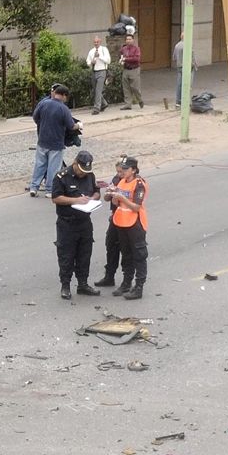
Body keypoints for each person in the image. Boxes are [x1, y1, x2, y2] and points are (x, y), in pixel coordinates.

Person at [52, 150, 102, 300]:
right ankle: (65, 286)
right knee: (66, 256)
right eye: (81, 170)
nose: (83, 173)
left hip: (84, 222)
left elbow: (97, 192)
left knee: (84, 254)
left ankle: (83, 284)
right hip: (67, 223)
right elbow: (56, 198)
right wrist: (75, 200)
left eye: (86, 170)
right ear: (75, 163)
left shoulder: (90, 175)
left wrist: (92, 198)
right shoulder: (62, 176)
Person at [103, 155, 148, 300]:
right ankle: (126, 283)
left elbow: (136, 207)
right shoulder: (121, 181)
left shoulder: (139, 184)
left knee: (139, 255)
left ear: (133, 170)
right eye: (121, 169)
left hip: (135, 223)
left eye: (125, 169)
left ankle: (139, 286)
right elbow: (116, 203)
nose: (122, 171)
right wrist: (114, 197)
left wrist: (122, 198)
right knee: (126, 254)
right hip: (121, 222)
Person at [27, 84, 78, 198]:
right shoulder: (64, 109)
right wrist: (79, 125)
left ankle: (33, 188)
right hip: (56, 143)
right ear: (64, 95)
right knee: (53, 168)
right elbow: (71, 126)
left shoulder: (44, 103)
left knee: (39, 165)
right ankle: (49, 190)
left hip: (42, 140)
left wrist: (43, 124)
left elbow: (35, 117)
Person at [86, 35, 111, 114]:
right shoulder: (91, 51)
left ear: (100, 42)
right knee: (95, 90)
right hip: (94, 71)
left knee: (98, 90)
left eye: (97, 42)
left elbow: (108, 61)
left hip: (102, 71)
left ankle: (97, 108)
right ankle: (104, 103)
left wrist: (100, 57)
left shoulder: (104, 49)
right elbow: (88, 61)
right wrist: (91, 62)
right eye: (95, 42)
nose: (96, 43)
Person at [172, 32, 197, 108]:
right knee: (188, 85)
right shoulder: (188, 45)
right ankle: (186, 101)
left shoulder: (177, 45)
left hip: (179, 67)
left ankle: (178, 102)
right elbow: (192, 57)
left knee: (179, 85)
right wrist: (194, 65)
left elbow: (174, 57)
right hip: (188, 68)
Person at [119, 34, 144, 109]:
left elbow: (136, 59)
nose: (128, 41)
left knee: (135, 87)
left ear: (133, 40)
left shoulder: (136, 49)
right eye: (127, 39)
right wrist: (121, 60)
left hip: (134, 69)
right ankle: (128, 104)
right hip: (126, 69)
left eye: (130, 39)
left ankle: (140, 100)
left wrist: (126, 59)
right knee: (126, 87)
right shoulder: (123, 49)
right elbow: (121, 56)